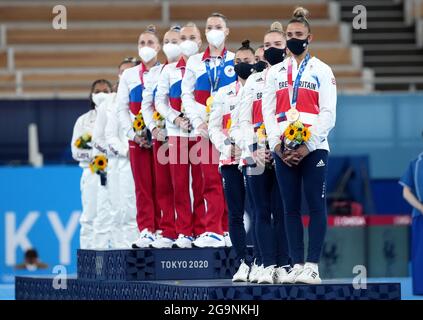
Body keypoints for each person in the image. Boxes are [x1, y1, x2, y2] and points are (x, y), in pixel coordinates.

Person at [262, 7, 337, 284]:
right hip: (283, 148)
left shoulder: (322, 70)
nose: (294, 39)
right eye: (290, 34)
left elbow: (329, 113)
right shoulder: (275, 73)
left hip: (314, 148)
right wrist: (276, 146)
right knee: (289, 208)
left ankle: (313, 266)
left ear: (309, 37)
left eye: (299, 34)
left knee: (316, 206)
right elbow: (268, 112)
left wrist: (308, 144)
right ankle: (296, 265)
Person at [235, 23, 291, 285]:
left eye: (276, 45)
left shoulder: (289, 78)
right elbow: (241, 121)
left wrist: (281, 144)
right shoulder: (254, 81)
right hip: (254, 152)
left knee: (282, 211)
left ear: (286, 48)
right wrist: (254, 148)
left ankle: (284, 264)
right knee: (260, 210)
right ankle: (264, 263)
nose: (269, 50)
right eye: (265, 47)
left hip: (283, 150)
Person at [182, 12, 235, 248]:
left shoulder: (234, 60)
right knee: (210, 179)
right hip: (204, 128)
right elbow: (187, 95)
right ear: (205, 33)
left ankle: (224, 229)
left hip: (229, 130)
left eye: (218, 26)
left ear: (226, 31)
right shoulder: (194, 61)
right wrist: (198, 122)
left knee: (230, 181)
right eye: (209, 27)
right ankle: (212, 228)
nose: (213, 30)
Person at [153, 22, 206, 248]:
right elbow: (159, 101)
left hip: (201, 131)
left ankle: (203, 229)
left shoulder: (205, 65)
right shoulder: (169, 70)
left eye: (191, 38)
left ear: (199, 41)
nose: (186, 43)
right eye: (182, 39)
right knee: (180, 184)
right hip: (177, 134)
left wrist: (198, 119)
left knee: (202, 184)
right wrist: (175, 119)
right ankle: (184, 231)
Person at [208, 40, 256, 280]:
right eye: (237, 61)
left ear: (255, 62)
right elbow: (213, 128)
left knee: (260, 211)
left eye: (246, 61)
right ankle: (243, 262)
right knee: (235, 213)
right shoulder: (222, 93)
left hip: (256, 159)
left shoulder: (262, 89)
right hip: (230, 160)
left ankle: (261, 260)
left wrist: (249, 147)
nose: (241, 65)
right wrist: (228, 146)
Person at [117, 25, 162, 248]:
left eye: (150, 43)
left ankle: (165, 228)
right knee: (142, 185)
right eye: (142, 43)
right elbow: (121, 109)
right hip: (138, 138)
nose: (146, 47)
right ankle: (147, 229)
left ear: (159, 47)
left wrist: (159, 130)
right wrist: (134, 135)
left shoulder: (166, 71)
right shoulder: (129, 75)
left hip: (162, 136)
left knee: (165, 185)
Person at [143, 25, 181, 249]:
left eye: (174, 41)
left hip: (185, 136)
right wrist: (153, 128)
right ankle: (167, 230)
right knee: (164, 186)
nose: (169, 46)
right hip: (161, 137)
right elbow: (147, 105)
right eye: (166, 41)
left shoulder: (191, 68)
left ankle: (191, 230)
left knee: (186, 186)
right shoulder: (155, 73)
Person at [71, 79, 112, 249]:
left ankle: (113, 263)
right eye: (97, 91)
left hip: (115, 172)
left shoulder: (117, 116)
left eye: (106, 91)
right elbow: (76, 151)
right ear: (91, 95)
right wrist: (97, 155)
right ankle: (88, 265)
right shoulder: (83, 121)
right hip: (92, 173)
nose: (101, 94)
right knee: (89, 218)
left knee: (114, 218)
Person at [103, 57, 140, 248]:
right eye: (122, 72)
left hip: (145, 158)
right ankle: (123, 249)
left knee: (144, 205)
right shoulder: (114, 103)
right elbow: (110, 135)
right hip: (124, 162)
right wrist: (127, 150)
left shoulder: (145, 96)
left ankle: (143, 248)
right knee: (123, 209)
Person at [399, 138, 423, 295]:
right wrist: (421, 207)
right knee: (420, 254)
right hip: (420, 216)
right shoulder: (416, 164)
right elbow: (406, 192)